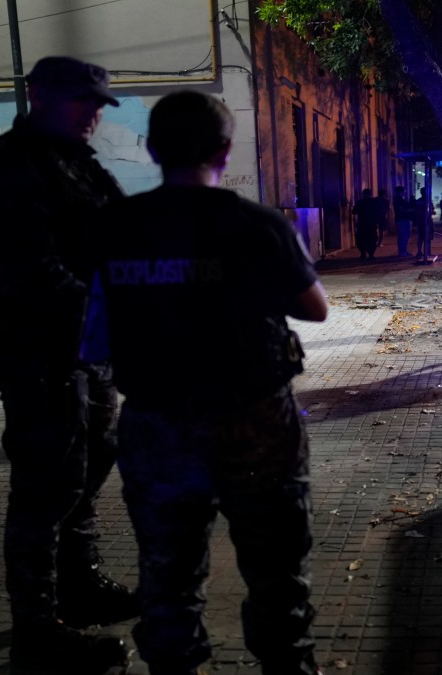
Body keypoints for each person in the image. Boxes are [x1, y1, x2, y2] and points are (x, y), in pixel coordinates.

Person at [88, 90, 328, 675]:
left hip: (157, 421)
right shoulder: (259, 224)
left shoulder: (115, 227)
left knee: (168, 572)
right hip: (255, 422)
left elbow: (94, 336)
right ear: (225, 150)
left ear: (152, 150)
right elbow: (315, 308)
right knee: (276, 570)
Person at [0, 55, 138, 674]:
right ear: (39, 95)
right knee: (46, 483)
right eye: (81, 101)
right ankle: (37, 628)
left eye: (98, 105)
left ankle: (80, 585)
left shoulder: (79, 165)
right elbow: (28, 274)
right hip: (34, 348)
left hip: (88, 347)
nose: (92, 115)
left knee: (92, 459)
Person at [352, 188, 382, 259]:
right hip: (372, 223)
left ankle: (363, 253)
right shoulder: (374, 202)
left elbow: (354, 212)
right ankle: (371, 254)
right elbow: (379, 212)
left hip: (362, 223)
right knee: (372, 239)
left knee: (361, 239)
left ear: (363, 194)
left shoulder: (359, 202)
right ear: (370, 194)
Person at [393, 185, 415, 257]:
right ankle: (402, 252)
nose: (404, 193)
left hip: (404, 219)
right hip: (401, 219)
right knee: (403, 236)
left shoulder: (400, 199)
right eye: (403, 191)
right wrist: (411, 210)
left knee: (405, 236)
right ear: (399, 192)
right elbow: (402, 209)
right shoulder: (397, 200)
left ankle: (404, 251)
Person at [414, 187, 435, 261]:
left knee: (421, 238)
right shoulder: (428, 201)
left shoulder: (418, 201)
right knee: (427, 237)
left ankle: (419, 251)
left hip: (420, 221)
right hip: (427, 221)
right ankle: (427, 252)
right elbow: (432, 211)